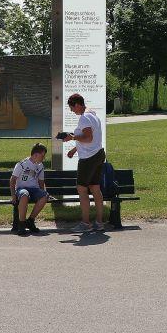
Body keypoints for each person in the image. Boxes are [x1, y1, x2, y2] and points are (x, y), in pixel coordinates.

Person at [65, 93, 105, 233]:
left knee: (82, 189)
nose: (71, 111)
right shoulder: (92, 114)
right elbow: (91, 138)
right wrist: (75, 149)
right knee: (95, 188)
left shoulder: (84, 118)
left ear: (77, 104)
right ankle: (99, 223)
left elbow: (88, 138)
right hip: (99, 154)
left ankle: (85, 223)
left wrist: (72, 137)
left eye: (72, 108)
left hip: (89, 158)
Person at [10, 143, 49, 235]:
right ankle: (21, 224)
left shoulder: (40, 166)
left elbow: (41, 182)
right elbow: (12, 180)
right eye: (42, 156)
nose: (43, 158)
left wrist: (44, 192)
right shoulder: (22, 164)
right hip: (22, 189)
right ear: (36, 154)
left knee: (45, 196)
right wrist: (13, 196)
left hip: (34, 190)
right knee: (24, 195)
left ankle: (30, 221)